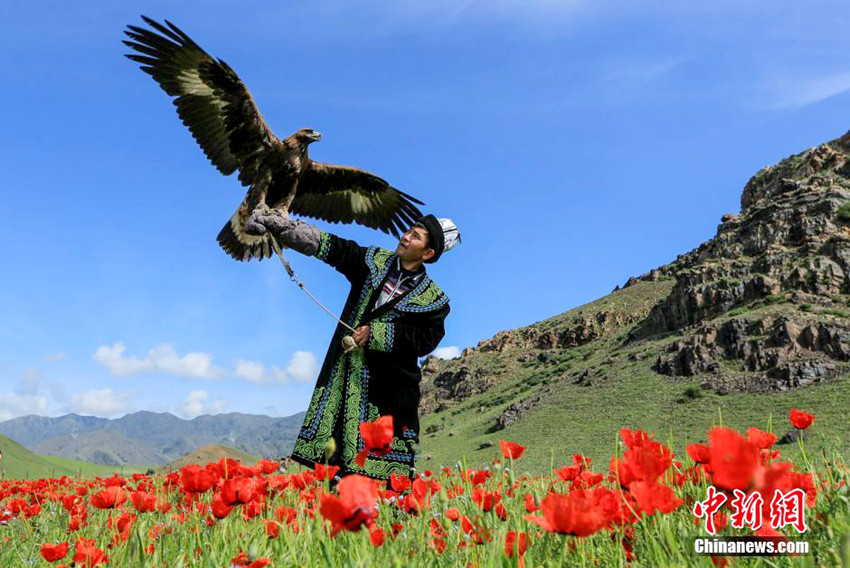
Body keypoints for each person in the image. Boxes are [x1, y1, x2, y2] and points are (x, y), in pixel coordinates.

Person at [246, 211, 460, 481]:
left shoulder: (435, 301)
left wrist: (377, 333)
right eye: (408, 230)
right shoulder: (373, 261)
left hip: (391, 392)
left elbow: (426, 339)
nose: (405, 236)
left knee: (385, 475)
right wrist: (282, 227)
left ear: (427, 253)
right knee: (337, 465)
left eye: (415, 236)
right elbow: (335, 249)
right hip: (346, 378)